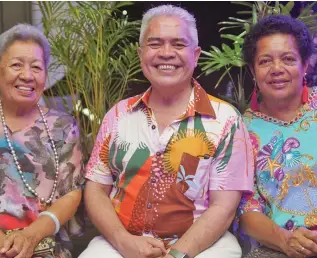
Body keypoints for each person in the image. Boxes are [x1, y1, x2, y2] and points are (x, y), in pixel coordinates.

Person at [80, 4, 254, 258]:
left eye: (178, 44)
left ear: (195, 55)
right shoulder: (117, 116)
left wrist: (178, 254)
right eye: (155, 44)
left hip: (202, 245)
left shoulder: (226, 120)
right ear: (140, 54)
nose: (166, 53)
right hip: (122, 243)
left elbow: (224, 207)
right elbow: (95, 189)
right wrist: (124, 242)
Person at [237, 15, 317, 258]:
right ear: (252, 71)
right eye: (265, 61)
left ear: (305, 64)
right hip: (280, 247)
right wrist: (285, 241)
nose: (277, 69)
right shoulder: (241, 130)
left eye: (288, 59)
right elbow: (245, 210)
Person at [0, 24, 84, 258]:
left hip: (45, 246)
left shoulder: (63, 126)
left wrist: (31, 236)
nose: (27, 75)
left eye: (36, 67)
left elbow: (72, 194)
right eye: (16, 65)